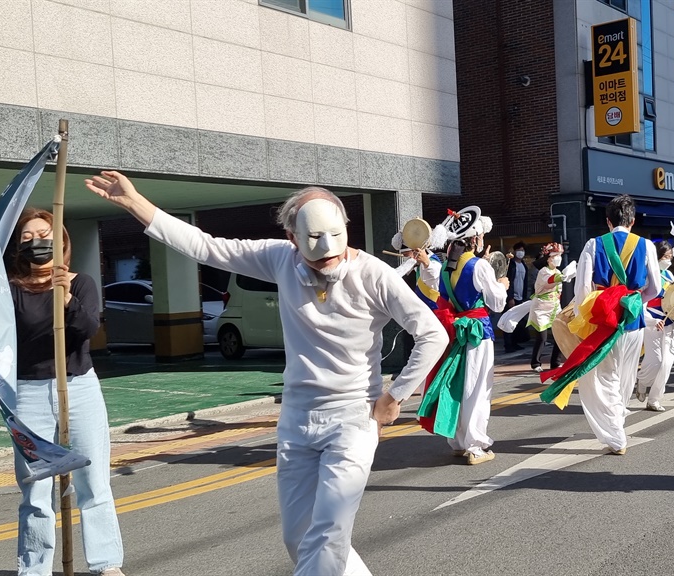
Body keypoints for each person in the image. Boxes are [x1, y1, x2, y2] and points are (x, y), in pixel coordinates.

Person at [85, 172, 447, 576]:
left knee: (327, 534)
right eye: (312, 241)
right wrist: (137, 204)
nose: (326, 252)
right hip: (296, 419)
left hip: (353, 417)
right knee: (300, 537)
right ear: (293, 236)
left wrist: (394, 396)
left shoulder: (374, 274)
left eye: (334, 237)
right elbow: (207, 247)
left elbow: (431, 334)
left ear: (345, 229)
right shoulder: (280, 257)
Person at [7, 208, 125, 576]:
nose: (37, 241)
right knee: (36, 489)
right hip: (27, 394)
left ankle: (106, 564)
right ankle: (34, 568)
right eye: (27, 237)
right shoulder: (9, 288)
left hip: (79, 389)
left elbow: (87, 328)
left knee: (93, 481)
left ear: (60, 240)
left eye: (44, 234)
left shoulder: (81, 282)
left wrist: (65, 298)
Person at [538, 194, 661, 455]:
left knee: (602, 376)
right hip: (632, 319)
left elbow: (582, 289)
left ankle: (615, 432)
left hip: (601, 319)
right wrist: (637, 301)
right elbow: (655, 288)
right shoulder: (647, 245)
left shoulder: (594, 245)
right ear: (633, 220)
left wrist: (584, 313)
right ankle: (619, 419)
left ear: (607, 221)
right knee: (626, 373)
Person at [417, 215, 508, 465]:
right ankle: (476, 445)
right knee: (477, 389)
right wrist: (502, 283)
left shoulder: (446, 265)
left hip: (455, 331)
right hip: (478, 331)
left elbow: (433, 282)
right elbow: (496, 302)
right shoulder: (479, 266)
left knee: (458, 385)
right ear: (475, 239)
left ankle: (458, 441)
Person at [634, 240, 674, 412]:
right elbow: (640, 304)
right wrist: (652, 321)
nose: (668, 260)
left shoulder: (670, 276)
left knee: (666, 364)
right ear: (657, 257)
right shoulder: (646, 276)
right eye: (666, 257)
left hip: (670, 323)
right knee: (655, 361)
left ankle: (654, 399)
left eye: (670, 257)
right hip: (652, 323)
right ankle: (642, 381)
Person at [527, 242, 573, 372]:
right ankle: (536, 363)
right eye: (555, 256)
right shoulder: (544, 271)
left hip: (554, 306)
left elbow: (559, 290)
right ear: (548, 258)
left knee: (559, 333)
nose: (558, 258)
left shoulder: (558, 271)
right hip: (541, 306)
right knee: (542, 337)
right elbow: (550, 281)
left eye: (559, 255)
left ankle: (555, 362)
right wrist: (563, 276)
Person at [504, 241, 534, 352]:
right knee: (509, 320)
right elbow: (508, 281)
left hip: (521, 297)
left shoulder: (524, 266)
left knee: (517, 322)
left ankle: (515, 342)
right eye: (519, 250)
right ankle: (508, 344)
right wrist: (509, 297)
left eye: (522, 250)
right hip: (512, 297)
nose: (521, 252)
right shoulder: (510, 264)